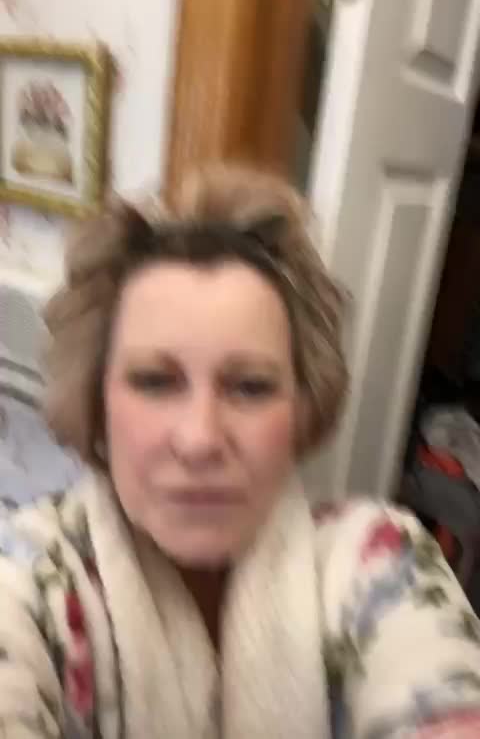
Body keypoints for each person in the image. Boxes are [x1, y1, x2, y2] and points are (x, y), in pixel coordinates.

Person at [0, 164, 479, 739]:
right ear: (96, 404)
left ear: (302, 407)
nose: (200, 439)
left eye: (250, 386)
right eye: (155, 381)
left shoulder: (380, 562)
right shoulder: (31, 576)